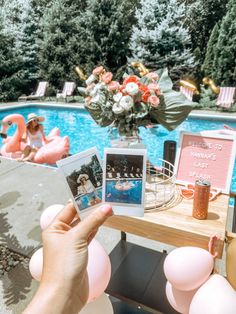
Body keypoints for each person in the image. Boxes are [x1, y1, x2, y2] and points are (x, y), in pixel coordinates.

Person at [23, 202, 113, 314]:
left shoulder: (49, 254)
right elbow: (36, 267)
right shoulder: (46, 255)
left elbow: (35, 269)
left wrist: (62, 291)